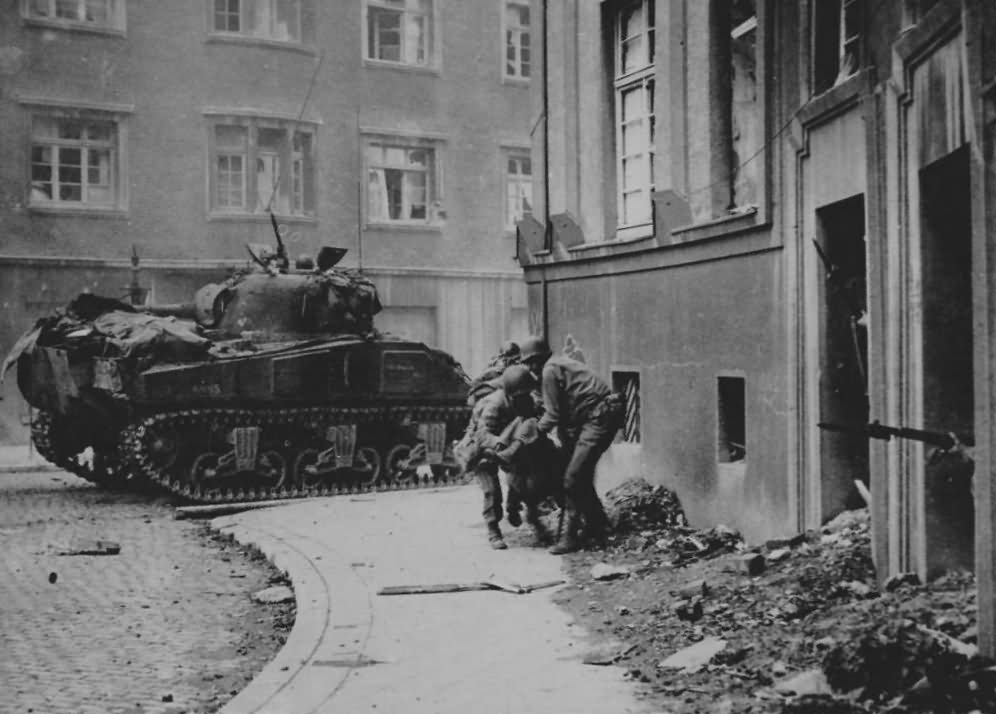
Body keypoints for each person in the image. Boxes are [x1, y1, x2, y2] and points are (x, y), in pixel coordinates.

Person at [518, 336, 624, 554]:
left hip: (599, 417)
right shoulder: (557, 363)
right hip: (593, 417)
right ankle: (598, 525)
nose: (530, 368)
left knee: (572, 478)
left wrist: (531, 435)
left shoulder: (549, 371)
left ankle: (571, 538)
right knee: (579, 475)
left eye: (530, 363)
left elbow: (552, 415)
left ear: (538, 360)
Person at [454, 364, 539, 550]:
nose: (525, 398)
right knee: (491, 490)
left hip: (506, 444)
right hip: (482, 448)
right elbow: (483, 436)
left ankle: (514, 506)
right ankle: (493, 530)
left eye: (527, 394)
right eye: (521, 395)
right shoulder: (494, 405)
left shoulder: (526, 401)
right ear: (510, 394)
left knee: (523, 472)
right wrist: (502, 445)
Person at [466, 341, 521, 406]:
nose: (515, 363)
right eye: (512, 361)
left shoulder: (518, 373)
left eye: (517, 360)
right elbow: (472, 387)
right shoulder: (491, 372)